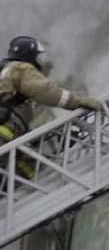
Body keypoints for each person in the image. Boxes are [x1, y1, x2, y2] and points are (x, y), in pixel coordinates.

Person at [0, 36, 101, 178]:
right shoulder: (20, 68)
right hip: (5, 137)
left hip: (7, 139)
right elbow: (47, 92)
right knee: (37, 179)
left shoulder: (4, 71)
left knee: (11, 186)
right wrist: (78, 101)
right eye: (37, 57)